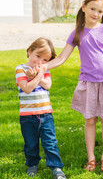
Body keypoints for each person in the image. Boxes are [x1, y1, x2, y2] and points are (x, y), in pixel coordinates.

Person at [26, 0, 103, 172]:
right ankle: (91, 158)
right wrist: (43, 67)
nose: (96, 13)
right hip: (88, 83)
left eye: (100, 11)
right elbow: (61, 58)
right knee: (90, 120)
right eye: (92, 9)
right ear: (84, 7)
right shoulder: (77, 33)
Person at [15, 37, 66, 179]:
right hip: (27, 115)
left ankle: (56, 167)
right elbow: (27, 88)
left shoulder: (45, 69)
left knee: (50, 142)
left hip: (45, 114)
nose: (40, 62)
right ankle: (32, 165)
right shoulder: (20, 69)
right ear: (30, 51)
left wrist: (37, 74)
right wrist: (37, 77)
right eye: (38, 56)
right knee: (30, 143)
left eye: (45, 60)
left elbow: (47, 85)